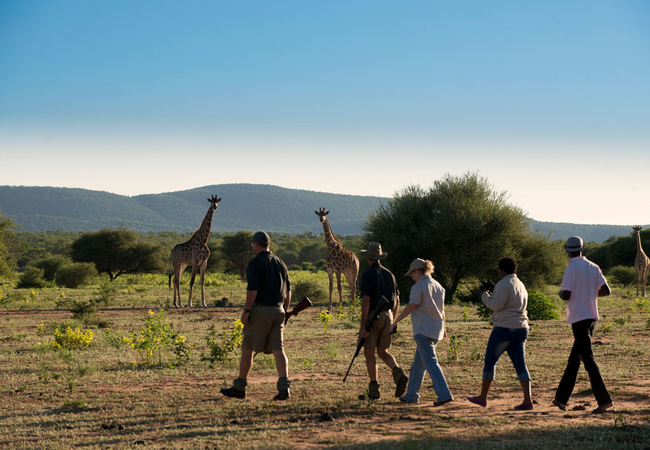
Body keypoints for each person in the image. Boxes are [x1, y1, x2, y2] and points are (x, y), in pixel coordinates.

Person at [220, 231, 292, 401]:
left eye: (253, 244)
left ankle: (240, 387)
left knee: (247, 349)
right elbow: (288, 292)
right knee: (278, 350)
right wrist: (285, 312)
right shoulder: (280, 263)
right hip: (279, 310)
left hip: (261, 310)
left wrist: (246, 311)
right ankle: (284, 388)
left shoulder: (255, 263)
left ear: (256, 244)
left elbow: (253, 290)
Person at [553, 236, 615, 414]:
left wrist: (560, 293)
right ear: (583, 248)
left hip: (578, 318)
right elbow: (606, 290)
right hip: (591, 318)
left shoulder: (571, 267)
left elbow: (565, 294)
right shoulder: (593, 266)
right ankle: (561, 399)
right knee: (575, 360)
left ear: (567, 251)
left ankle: (605, 402)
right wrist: (590, 295)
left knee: (588, 359)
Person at [468, 257, 533, 410]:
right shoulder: (520, 284)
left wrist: (484, 294)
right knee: (520, 365)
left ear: (502, 270)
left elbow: (496, 305)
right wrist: (495, 288)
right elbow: (510, 299)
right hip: (521, 328)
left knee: (490, 362)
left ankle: (483, 397)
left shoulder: (504, 284)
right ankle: (527, 399)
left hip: (504, 329)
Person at [389, 258, 453, 406]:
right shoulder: (438, 286)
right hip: (436, 330)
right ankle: (411, 395)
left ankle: (444, 394)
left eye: (412, 274)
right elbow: (441, 310)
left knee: (431, 363)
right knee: (418, 365)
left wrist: (395, 321)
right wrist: (444, 328)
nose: (412, 277)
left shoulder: (419, 287)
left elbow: (412, 305)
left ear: (417, 271)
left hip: (423, 330)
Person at [358, 241, 408, 400]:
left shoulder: (367, 275)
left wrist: (363, 326)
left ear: (368, 258)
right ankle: (398, 373)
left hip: (374, 316)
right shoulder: (390, 274)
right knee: (383, 351)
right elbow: (398, 300)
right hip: (389, 315)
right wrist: (394, 320)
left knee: (369, 352)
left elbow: (366, 300)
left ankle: (374, 389)